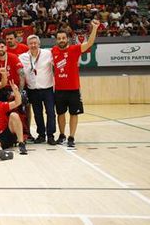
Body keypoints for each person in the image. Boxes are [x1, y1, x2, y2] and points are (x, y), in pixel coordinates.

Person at [52, 19, 100, 147]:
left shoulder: (75, 49)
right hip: (59, 90)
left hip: (73, 89)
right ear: (56, 40)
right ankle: (62, 135)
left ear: (67, 38)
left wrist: (94, 28)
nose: (61, 40)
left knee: (74, 113)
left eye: (63, 38)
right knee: (60, 113)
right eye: (59, 38)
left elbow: (89, 43)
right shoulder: (53, 51)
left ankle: (71, 137)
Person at [19, 35, 56, 145]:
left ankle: (50, 135)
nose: (33, 45)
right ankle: (41, 135)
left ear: (39, 44)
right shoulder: (22, 57)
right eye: (31, 43)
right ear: (28, 45)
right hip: (33, 90)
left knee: (50, 112)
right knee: (37, 113)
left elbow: (58, 64)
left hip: (47, 88)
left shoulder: (48, 54)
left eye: (35, 43)